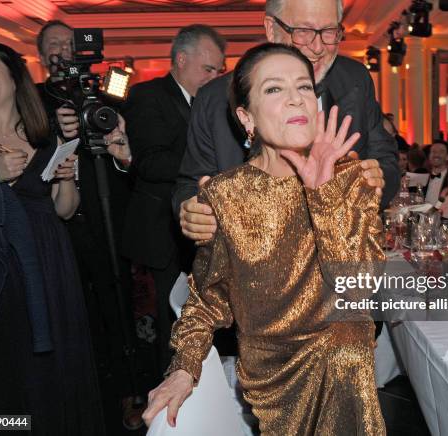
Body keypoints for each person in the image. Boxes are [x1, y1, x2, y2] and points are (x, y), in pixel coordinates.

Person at [143, 42, 386, 435]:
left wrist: (324, 195)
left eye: (304, 87)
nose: (295, 99)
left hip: (346, 369)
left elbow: (361, 286)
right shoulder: (225, 194)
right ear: (246, 117)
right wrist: (184, 368)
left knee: (346, 345)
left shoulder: (350, 176)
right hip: (273, 377)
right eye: (274, 89)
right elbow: (208, 299)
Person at [0, 41, 104, 435]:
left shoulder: (46, 136)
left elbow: (64, 209)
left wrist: (66, 178)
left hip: (51, 263)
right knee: (6, 373)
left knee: (59, 365)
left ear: (13, 76)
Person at [174, 0, 397, 244]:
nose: (318, 47)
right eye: (303, 31)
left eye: (329, 31)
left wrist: (370, 185)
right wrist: (193, 213)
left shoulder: (355, 79)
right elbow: (190, 184)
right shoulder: (215, 98)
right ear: (271, 28)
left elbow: (385, 161)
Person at [37, 20, 143, 430]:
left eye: (68, 43)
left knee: (120, 308)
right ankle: (86, 399)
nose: (62, 50)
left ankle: (130, 394)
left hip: (107, 221)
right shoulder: (32, 100)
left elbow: (125, 160)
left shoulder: (106, 96)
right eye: (53, 45)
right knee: (73, 315)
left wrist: (118, 141)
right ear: (42, 54)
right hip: (60, 225)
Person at [120, 24, 227, 372]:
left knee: (197, 322)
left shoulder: (213, 103)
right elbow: (150, 163)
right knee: (162, 331)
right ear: (181, 59)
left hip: (197, 236)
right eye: (207, 69)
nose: (214, 77)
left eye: (218, 71)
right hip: (159, 237)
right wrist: (208, 160)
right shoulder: (147, 96)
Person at [424, 140, 448, 206]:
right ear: (429, 156)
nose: (436, 155)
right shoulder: (423, 177)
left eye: (441, 152)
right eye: (433, 151)